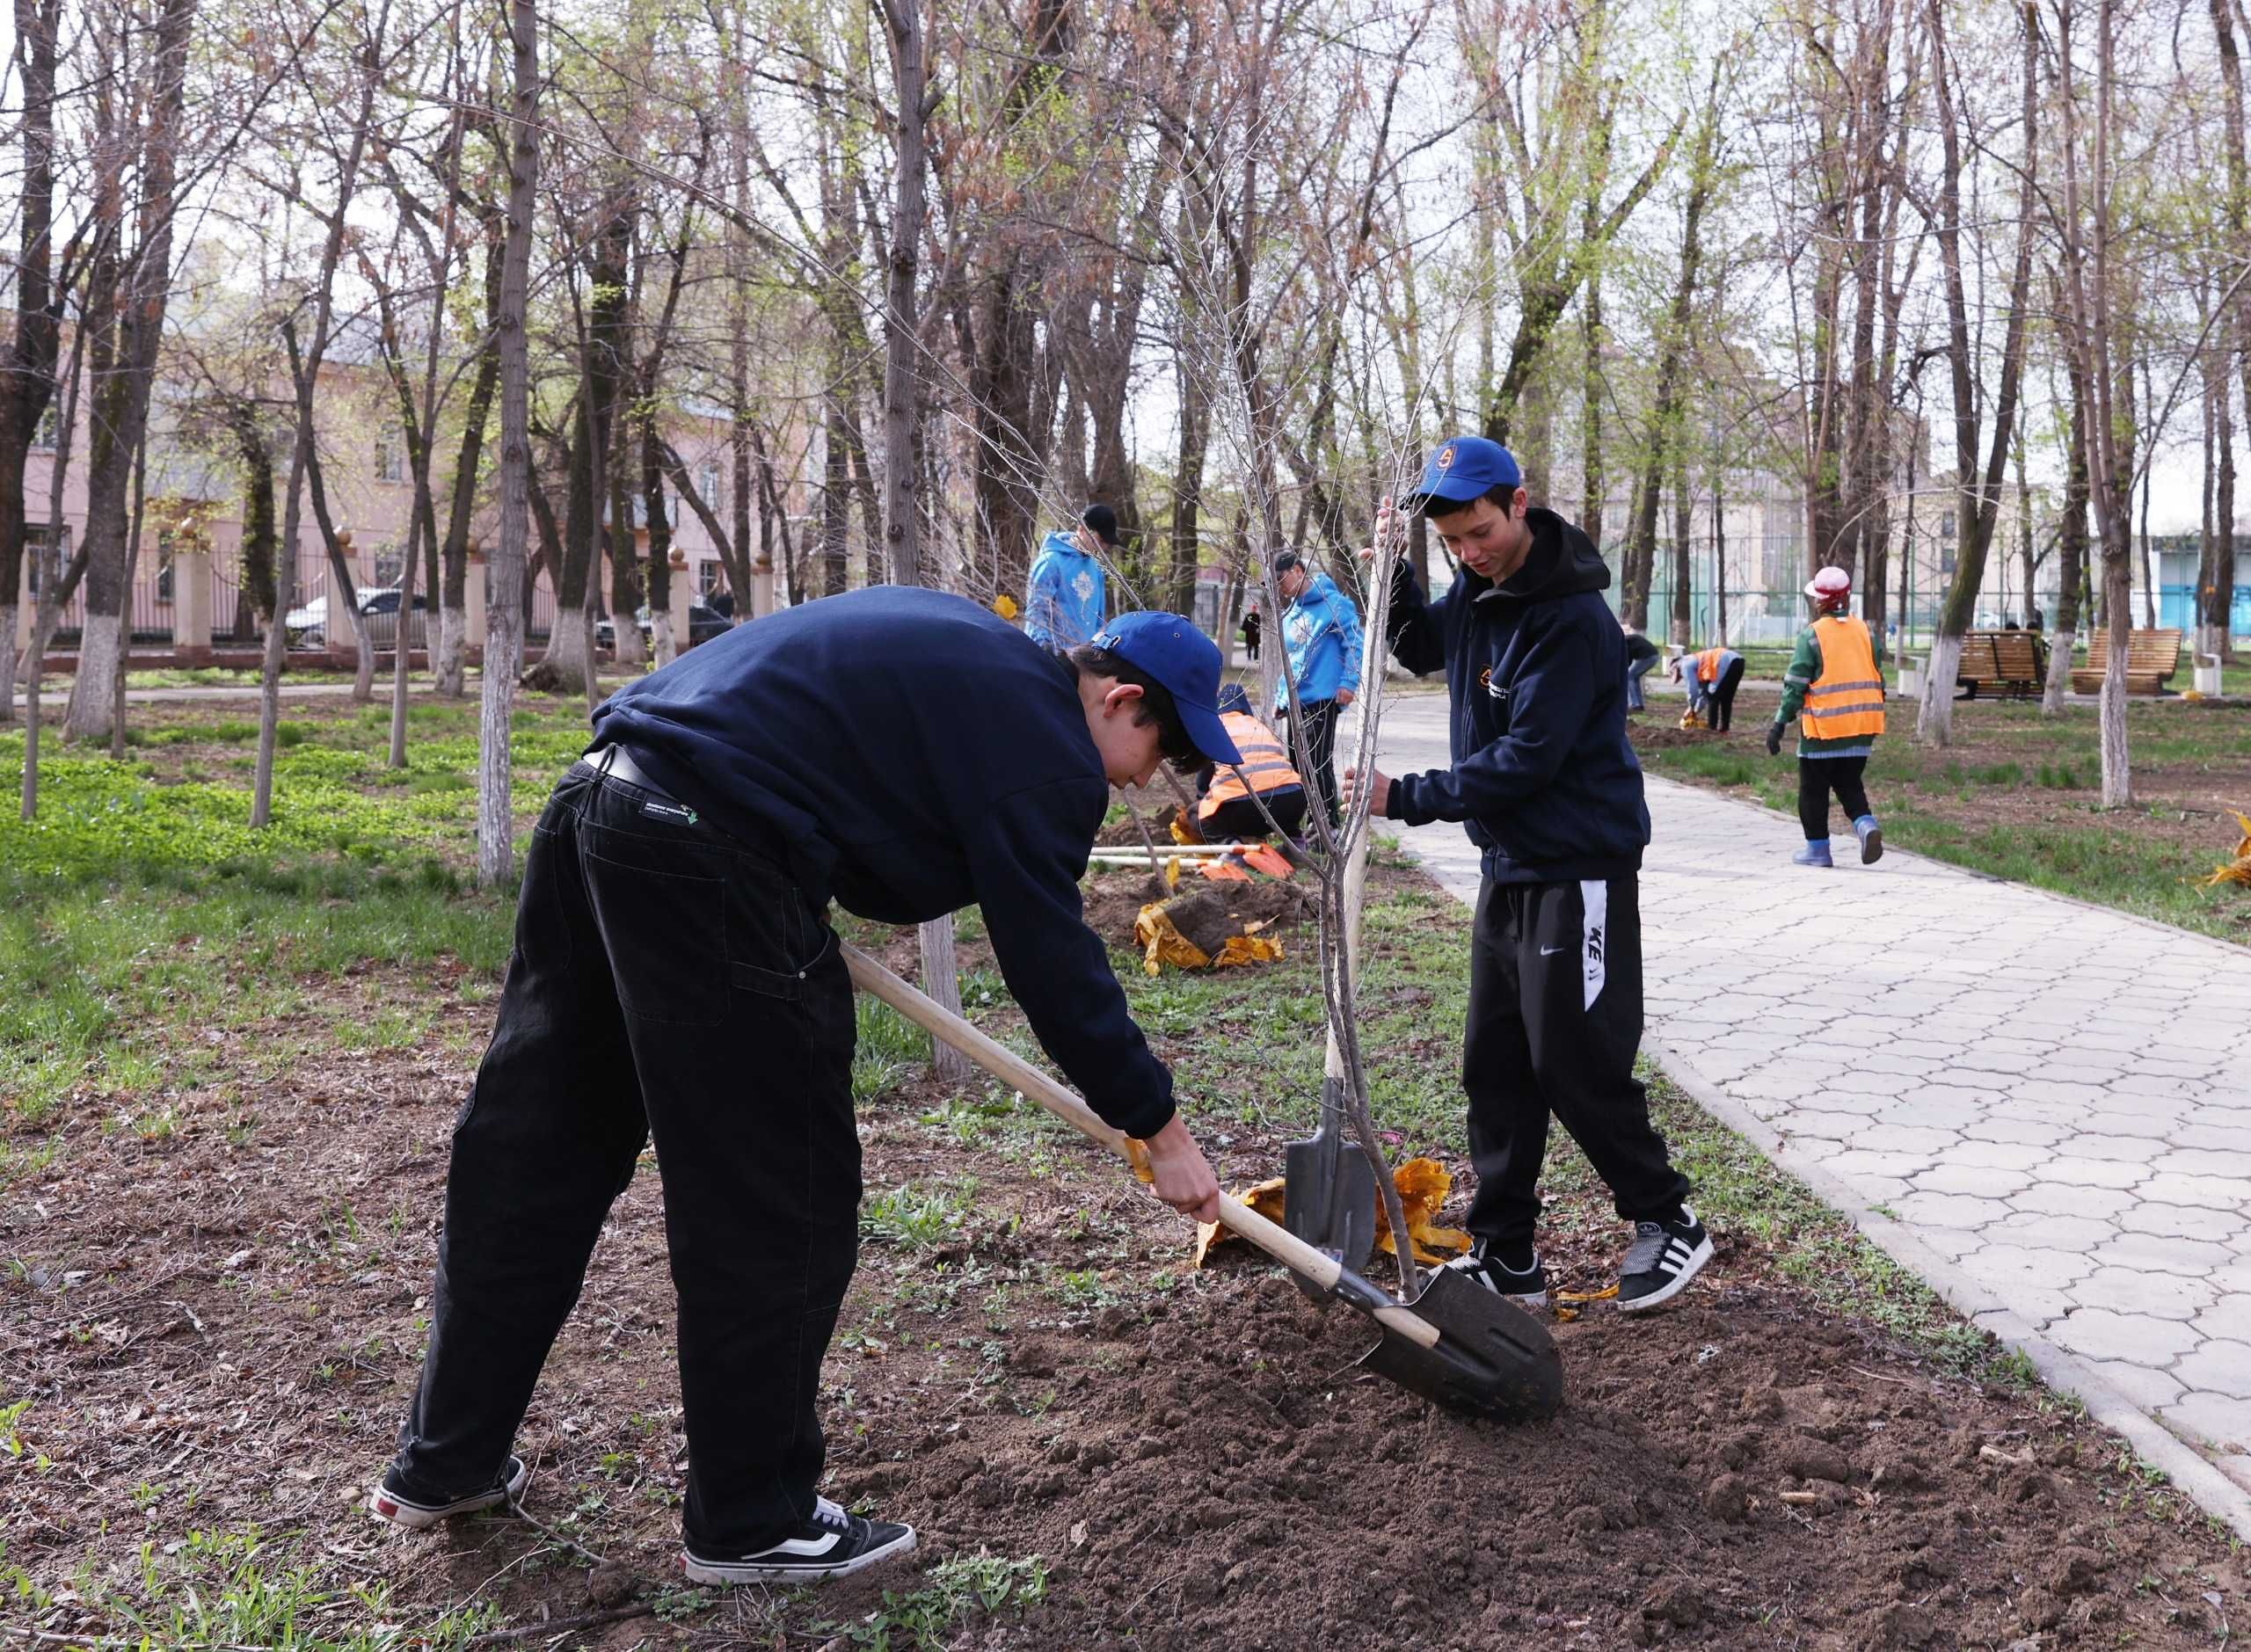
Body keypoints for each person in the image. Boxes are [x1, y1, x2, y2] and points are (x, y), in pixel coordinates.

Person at [370, 590, 1229, 1586]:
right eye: (1164, 762)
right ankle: (751, 1517)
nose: (1153, 791)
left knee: (540, 1148)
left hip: (602, 798)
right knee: (778, 1193)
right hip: (707, 846)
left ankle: (446, 1458)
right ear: (1121, 699)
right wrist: (1158, 1127)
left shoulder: (975, 656)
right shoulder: (1045, 742)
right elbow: (1052, 960)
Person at [1341, 436, 1710, 1314]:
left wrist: (1405, 797)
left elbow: (1528, 759)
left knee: (1573, 1059)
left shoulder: (1570, 620)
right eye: (1452, 541)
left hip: (1577, 865)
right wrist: (1392, 573)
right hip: (1508, 864)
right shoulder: (1478, 586)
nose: (1468, 551)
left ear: (1518, 501)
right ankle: (1506, 1254)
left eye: (1479, 531)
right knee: (1496, 1064)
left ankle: (1670, 1219)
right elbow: (1421, 649)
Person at [1766, 565, 1885, 868]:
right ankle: (1865, 824)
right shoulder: (1866, 632)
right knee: (1849, 783)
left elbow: (1795, 686)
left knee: (1813, 790)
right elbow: (1877, 675)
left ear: (1820, 602)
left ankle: (1818, 850)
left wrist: (1779, 724)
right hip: (1862, 725)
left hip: (1823, 728)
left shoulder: (1813, 635)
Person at [1270, 549, 1363, 827]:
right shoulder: (1290, 615)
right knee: (1298, 764)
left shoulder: (1334, 605)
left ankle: (1327, 827)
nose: (1279, 588)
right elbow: (1291, 661)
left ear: (1298, 570)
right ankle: (1311, 823)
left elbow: (1355, 645)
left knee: (1317, 764)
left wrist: (1348, 682)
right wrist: (1281, 697)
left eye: (1280, 579)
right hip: (1295, 702)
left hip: (1322, 698)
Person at [1193, 682, 1308, 841]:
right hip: (1294, 802)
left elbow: (1203, 779)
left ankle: (1232, 849)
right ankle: (1295, 843)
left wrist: (1202, 800)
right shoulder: (1259, 726)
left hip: (1245, 809)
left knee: (1196, 814)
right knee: (1278, 797)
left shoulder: (1215, 728)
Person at [1024, 503, 1117, 651]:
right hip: (1054, 656)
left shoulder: (1097, 568)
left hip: (1084, 660)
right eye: (1100, 541)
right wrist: (1044, 650)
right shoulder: (1051, 562)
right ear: (1082, 529)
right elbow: (1036, 611)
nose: (1103, 548)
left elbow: (1099, 619)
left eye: (1105, 544)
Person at [1672, 644, 1746, 731]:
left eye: (1680, 676)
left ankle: (1712, 729)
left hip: (1724, 661)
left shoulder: (1684, 665)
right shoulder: (1696, 662)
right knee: (1726, 698)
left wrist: (1691, 707)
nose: (1681, 677)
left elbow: (1692, 689)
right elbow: (1702, 694)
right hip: (1738, 661)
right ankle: (1724, 730)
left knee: (1712, 696)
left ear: (1676, 667)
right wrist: (1695, 711)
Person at [1621, 621, 1661, 712]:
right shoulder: (1628, 640)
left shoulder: (1623, 642)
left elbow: (1627, 659)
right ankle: (1639, 705)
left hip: (1648, 657)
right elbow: (1629, 659)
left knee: (1629, 676)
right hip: (1652, 655)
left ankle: (1634, 704)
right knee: (1634, 677)